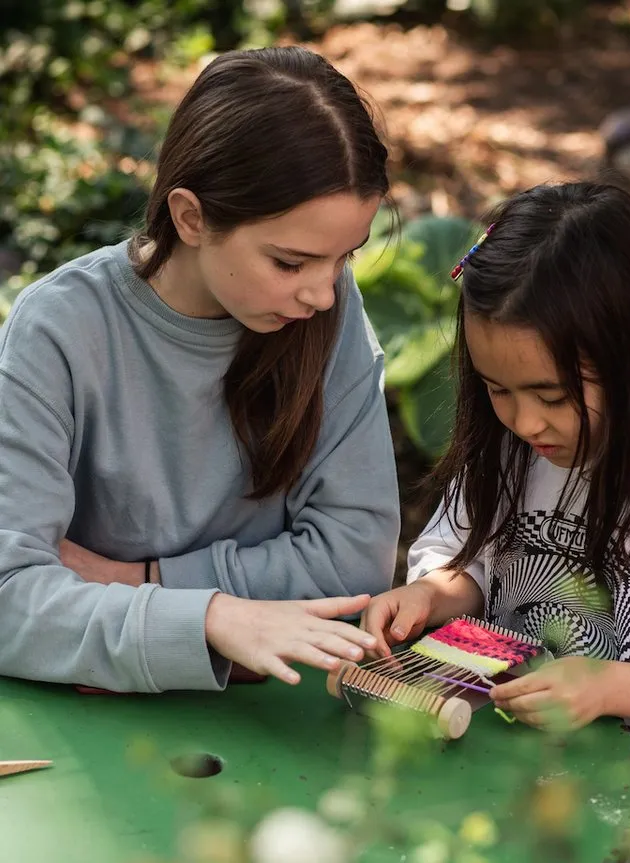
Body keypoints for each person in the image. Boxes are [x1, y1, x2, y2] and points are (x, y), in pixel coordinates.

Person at [362, 182, 630, 858]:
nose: (524, 420)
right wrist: (431, 593)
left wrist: (605, 684)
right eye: (497, 389)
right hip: (514, 791)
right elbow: (471, 561)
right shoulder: (514, 451)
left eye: (551, 395)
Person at [0, 46, 401, 694]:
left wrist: (140, 582)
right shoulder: (59, 328)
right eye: (291, 262)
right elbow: (9, 598)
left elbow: (354, 567)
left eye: (344, 257)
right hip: (77, 721)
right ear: (191, 217)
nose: (324, 294)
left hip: (269, 718)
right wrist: (212, 617)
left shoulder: (329, 313)